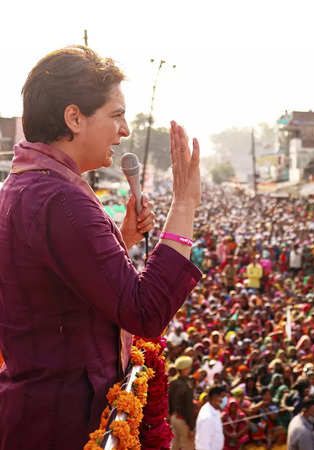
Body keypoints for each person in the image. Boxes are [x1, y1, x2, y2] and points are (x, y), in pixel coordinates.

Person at [0, 47, 203, 449]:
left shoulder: (32, 184)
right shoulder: (61, 198)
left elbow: (59, 284)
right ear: (74, 118)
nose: (125, 130)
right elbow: (144, 311)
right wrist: (184, 205)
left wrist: (121, 240)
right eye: (116, 115)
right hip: (63, 423)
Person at [169, 356, 196, 450]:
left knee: (175, 444)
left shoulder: (173, 382)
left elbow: (169, 402)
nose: (190, 369)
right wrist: (191, 427)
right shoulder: (186, 386)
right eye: (189, 367)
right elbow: (188, 408)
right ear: (184, 369)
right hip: (183, 420)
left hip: (174, 418)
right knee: (188, 446)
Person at [195, 385, 227, 450]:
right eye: (221, 397)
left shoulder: (214, 409)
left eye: (224, 397)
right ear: (213, 398)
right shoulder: (207, 418)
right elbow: (203, 445)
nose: (223, 400)